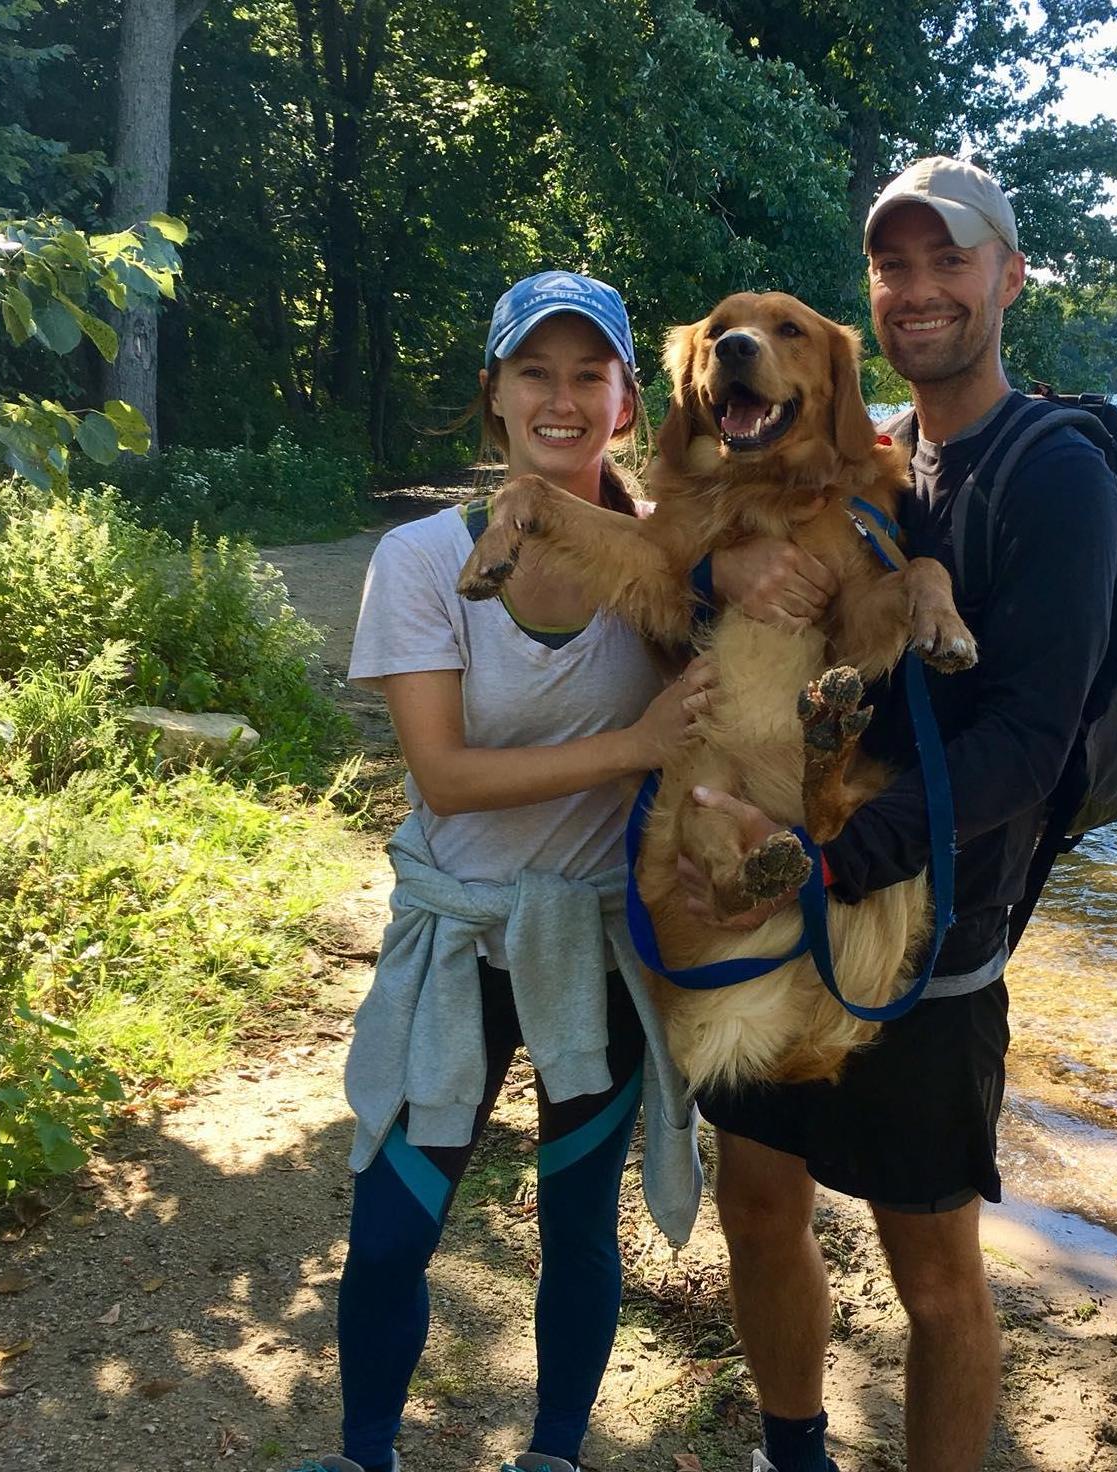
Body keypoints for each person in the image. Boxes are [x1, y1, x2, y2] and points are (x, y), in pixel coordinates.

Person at [689, 157, 1117, 1472]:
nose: (919, 289)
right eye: (893, 265)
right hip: (795, 897)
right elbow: (730, 579)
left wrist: (835, 860)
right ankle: (791, 1452)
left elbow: (1030, 748)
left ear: (1010, 276)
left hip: (932, 936)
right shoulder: (876, 457)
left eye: (950, 259)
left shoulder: (1056, 476)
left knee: (931, 1273)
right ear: (869, 292)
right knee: (757, 1199)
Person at [291, 271, 709, 1472]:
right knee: (389, 1229)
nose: (561, 398)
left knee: (578, 1223)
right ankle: (365, 1452)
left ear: (628, 402)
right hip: (459, 938)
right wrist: (635, 744)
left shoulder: (670, 561)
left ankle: (552, 1453)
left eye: (590, 374)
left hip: (600, 940)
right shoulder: (423, 555)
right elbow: (444, 777)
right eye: (535, 372)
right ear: (494, 394)